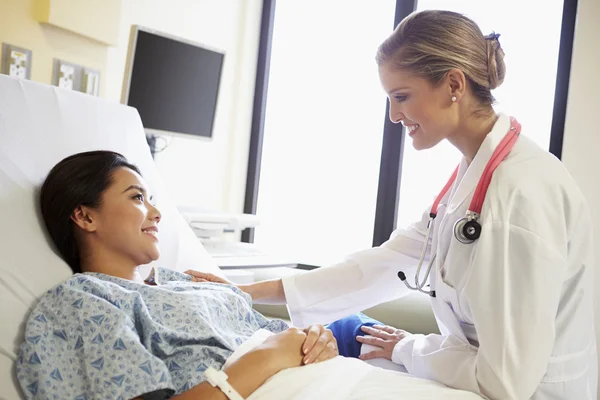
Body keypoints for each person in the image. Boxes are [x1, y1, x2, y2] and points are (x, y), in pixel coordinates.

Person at [192, 9, 598, 400]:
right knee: (348, 332)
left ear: (454, 85)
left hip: (525, 392)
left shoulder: (519, 196)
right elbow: (382, 265)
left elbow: (506, 383)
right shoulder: (473, 177)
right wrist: (243, 291)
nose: (393, 115)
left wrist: (409, 349)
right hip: (472, 372)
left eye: (401, 96)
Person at [16, 151, 339, 399]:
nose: (156, 213)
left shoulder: (184, 281)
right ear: (84, 216)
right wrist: (268, 358)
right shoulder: (81, 301)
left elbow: (287, 337)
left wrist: (317, 340)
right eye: (137, 197)